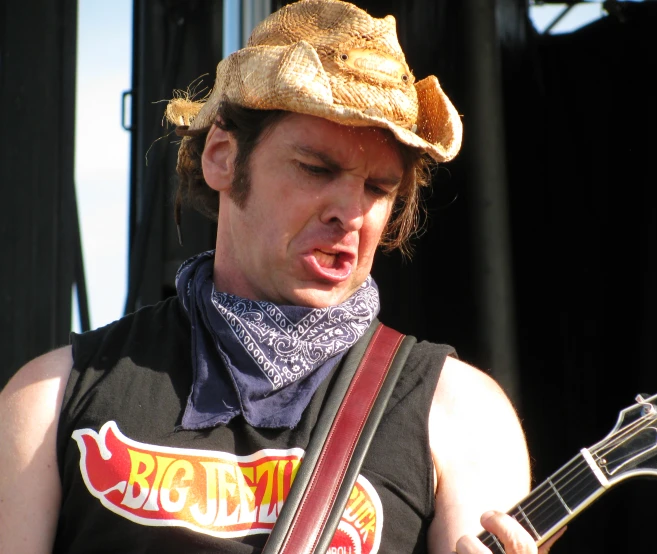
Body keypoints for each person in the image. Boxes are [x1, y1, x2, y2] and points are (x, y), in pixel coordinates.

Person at [0, 1, 562, 552]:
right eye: (316, 168)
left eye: (379, 187)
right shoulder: (48, 400)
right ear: (221, 156)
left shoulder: (461, 413)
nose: (350, 211)